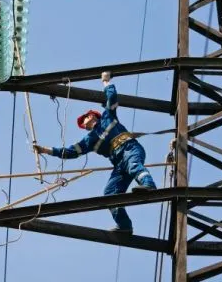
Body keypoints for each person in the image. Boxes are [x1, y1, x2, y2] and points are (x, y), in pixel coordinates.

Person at [34, 71, 156, 234]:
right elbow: (70, 152)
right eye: (83, 122)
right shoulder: (89, 140)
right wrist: (46, 150)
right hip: (119, 162)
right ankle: (125, 226)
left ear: (93, 115)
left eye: (85, 117)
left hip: (129, 148)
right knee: (110, 193)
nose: (84, 121)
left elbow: (111, 97)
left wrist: (105, 81)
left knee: (133, 165)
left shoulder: (107, 116)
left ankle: (149, 185)